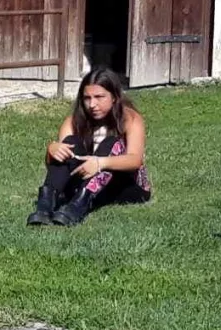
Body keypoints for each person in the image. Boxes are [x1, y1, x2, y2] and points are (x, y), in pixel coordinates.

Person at [26, 68, 150, 227]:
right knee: (69, 142)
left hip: (125, 184)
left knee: (111, 143)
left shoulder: (129, 118)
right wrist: (52, 151)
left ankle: (78, 207)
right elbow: (61, 167)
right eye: (87, 98)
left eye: (99, 97)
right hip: (84, 182)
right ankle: (44, 207)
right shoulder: (73, 121)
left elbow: (135, 160)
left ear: (114, 97)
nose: (92, 104)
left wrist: (99, 163)